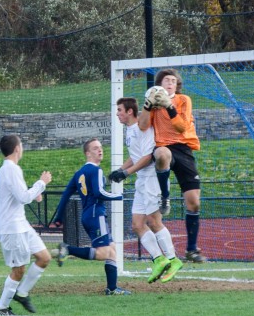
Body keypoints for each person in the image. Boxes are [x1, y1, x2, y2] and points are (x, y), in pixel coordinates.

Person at [109, 98, 183, 283]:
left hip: (152, 179)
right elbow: (134, 157)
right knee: (137, 224)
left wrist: (126, 173)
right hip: (141, 181)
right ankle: (159, 259)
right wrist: (119, 170)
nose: (117, 113)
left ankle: (173, 260)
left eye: (119, 110)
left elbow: (149, 157)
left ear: (129, 112)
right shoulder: (129, 130)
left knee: (153, 221)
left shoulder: (144, 128)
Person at [139, 68, 206, 263]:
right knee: (160, 154)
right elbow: (143, 126)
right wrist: (146, 105)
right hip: (165, 147)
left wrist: (169, 106)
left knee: (194, 202)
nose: (170, 83)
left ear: (177, 85)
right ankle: (165, 197)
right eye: (166, 80)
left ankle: (192, 250)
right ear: (159, 85)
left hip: (184, 150)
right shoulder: (154, 103)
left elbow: (181, 127)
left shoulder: (183, 100)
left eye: (173, 81)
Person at [53, 138, 131, 295]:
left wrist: (58, 217)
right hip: (96, 215)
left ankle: (112, 288)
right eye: (95, 148)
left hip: (88, 215)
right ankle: (68, 249)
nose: (100, 150)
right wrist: (119, 196)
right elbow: (99, 192)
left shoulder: (79, 173)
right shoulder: (96, 170)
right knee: (104, 253)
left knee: (112, 249)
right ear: (87, 153)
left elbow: (66, 195)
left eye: (101, 147)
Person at [0, 134, 53, 316]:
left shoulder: (11, 169)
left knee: (44, 257)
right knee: (18, 269)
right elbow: (23, 197)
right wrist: (41, 183)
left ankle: (22, 293)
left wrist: (34, 192)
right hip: (11, 227)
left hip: (22, 225)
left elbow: (20, 194)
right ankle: (1, 308)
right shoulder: (10, 169)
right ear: (17, 148)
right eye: (22, 145)